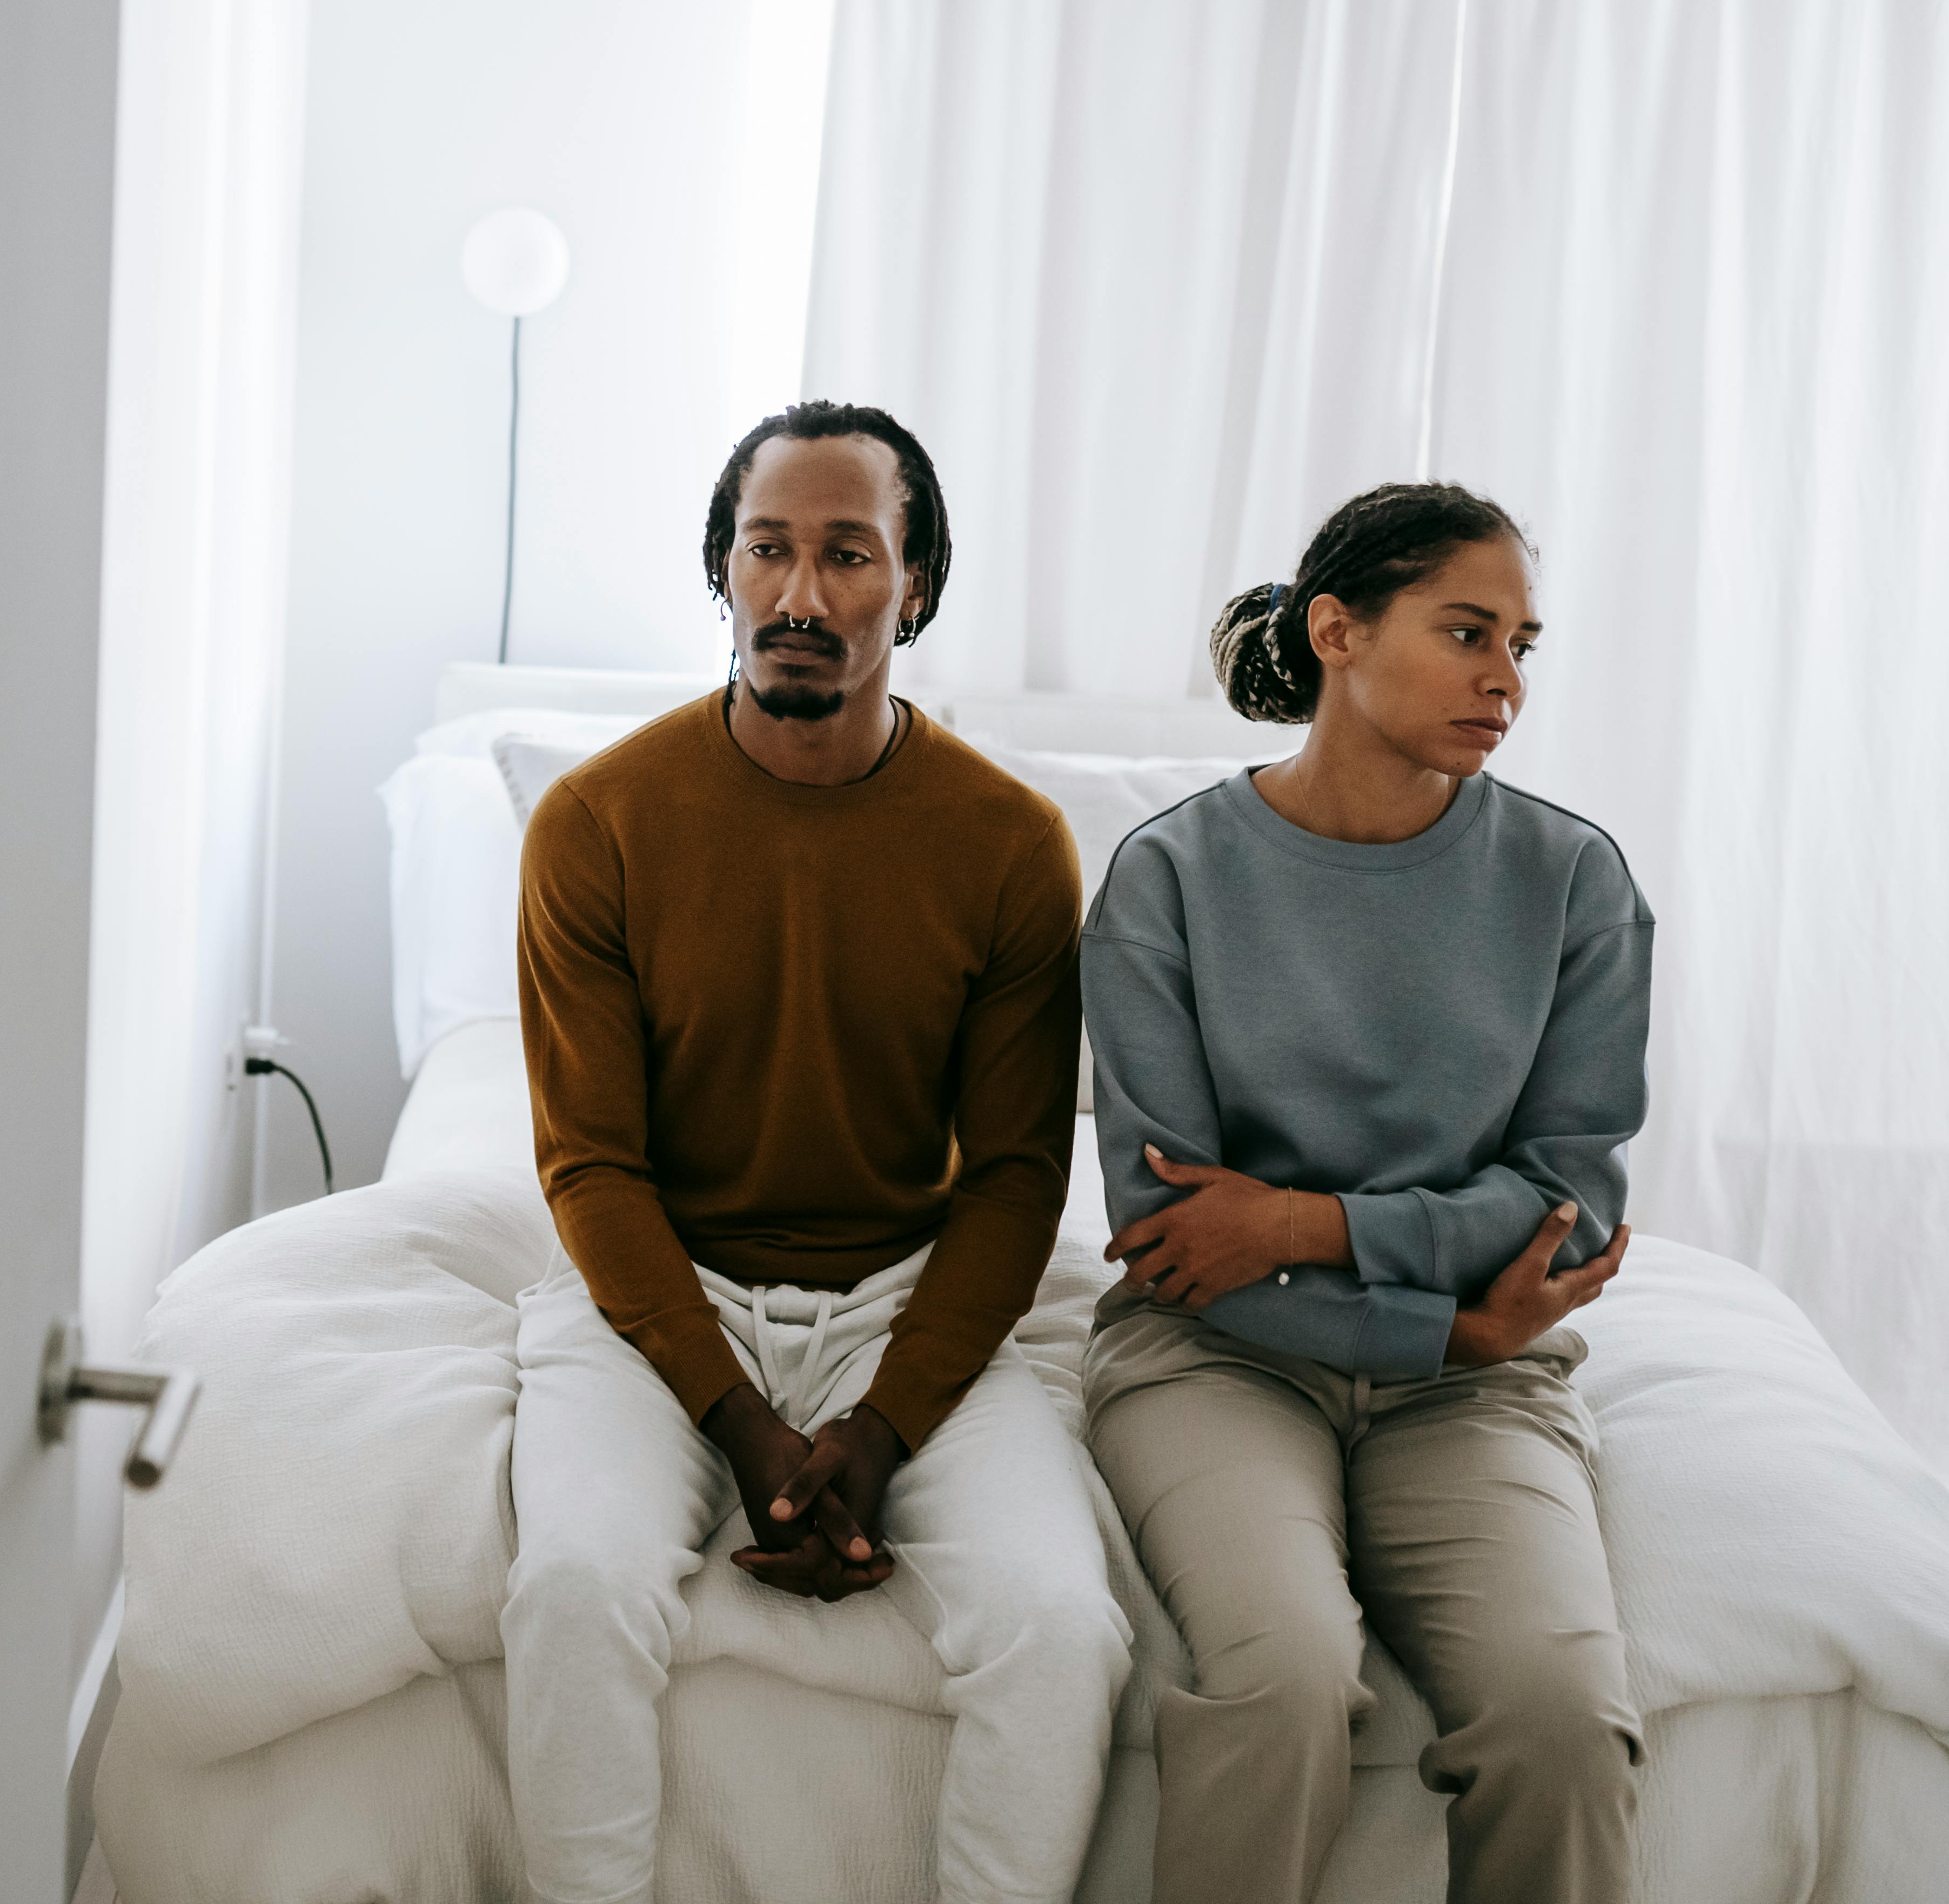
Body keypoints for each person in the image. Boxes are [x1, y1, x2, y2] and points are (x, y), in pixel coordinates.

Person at [508, 401, 1130, 1904]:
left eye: (847, 554)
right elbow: (591, 1167)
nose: (800, 595)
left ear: (914, 588)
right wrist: (746, 1432)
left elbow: (1012, 1179)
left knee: (1062, 1627)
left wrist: (884, 1431)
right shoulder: (596, 823)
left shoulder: (1009, 844)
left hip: (907, 1293)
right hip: (660, 1293)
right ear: (721, 574)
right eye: (767, 550)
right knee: (575, 1591)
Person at [1082, 481, 1647, 1904]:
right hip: (1218, 1363)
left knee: (1562, 1721)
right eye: (1468, 633)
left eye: (1524, 643)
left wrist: (1296, 1223)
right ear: (1337, 630)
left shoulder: (1574, 882)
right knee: (1282, 1681)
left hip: (1480, 1387)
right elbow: (1167, 1242)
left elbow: (1562, 1206)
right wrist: (1436, 1317)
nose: (1506, 679)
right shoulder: (1168, 878)